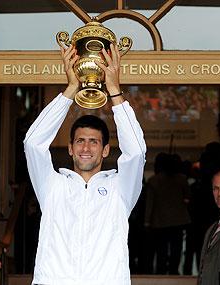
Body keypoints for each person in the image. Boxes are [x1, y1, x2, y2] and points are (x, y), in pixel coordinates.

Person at [24, 43, 146, 285]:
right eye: (80, 141)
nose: (86, 148)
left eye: (94, 142)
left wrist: (113, 89)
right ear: (70, 148)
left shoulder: (121, 189)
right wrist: (71, 89)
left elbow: (136, 151)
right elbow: (33, 143)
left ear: (105, 150)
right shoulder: (51, 185)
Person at [144, 153, 191, 274]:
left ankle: (161, 271)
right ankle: (174, 270)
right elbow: (187, 198)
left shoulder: (153, 181)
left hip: (159, 221)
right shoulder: (182, 179)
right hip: (179, 220)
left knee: (161, 249)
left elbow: (150, 203)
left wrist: (147, 222)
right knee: (177, 248)